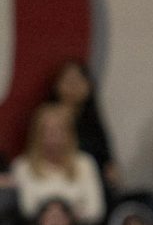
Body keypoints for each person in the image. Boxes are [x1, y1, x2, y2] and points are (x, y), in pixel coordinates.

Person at [11, 102, 105, 225]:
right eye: (46, 131)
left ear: (70, 134)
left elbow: (95, 211)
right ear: (36, 134)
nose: (53, 137)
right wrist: (72, 210)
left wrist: (56, 215)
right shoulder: (22, 166)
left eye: (59, 131)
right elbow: (27, 210)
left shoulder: (85, 163)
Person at [48, 59, 119, 191]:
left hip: (90, 182)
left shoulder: (93, 122)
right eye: (68, 81)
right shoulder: (47, 116)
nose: (73, 86)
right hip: (53, 178)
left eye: (78, 81)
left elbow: (106, 159)